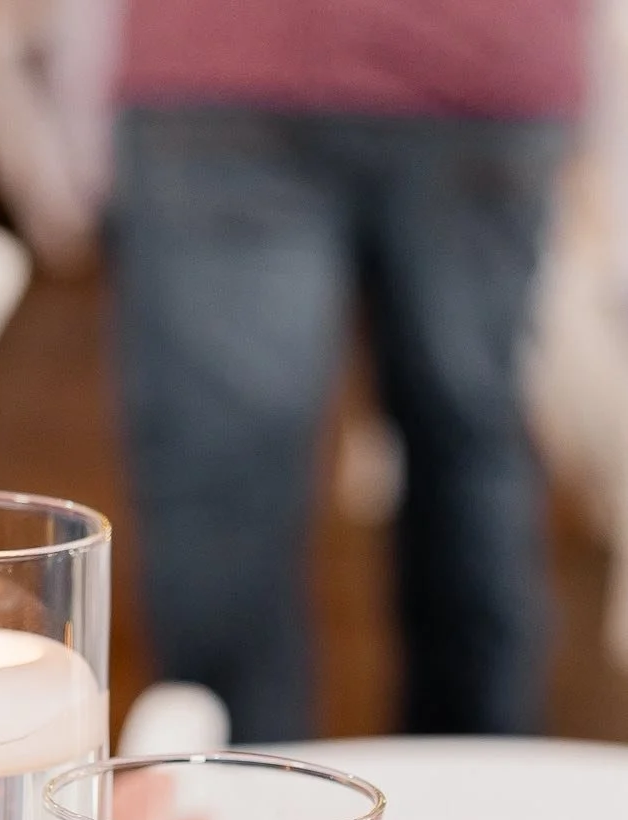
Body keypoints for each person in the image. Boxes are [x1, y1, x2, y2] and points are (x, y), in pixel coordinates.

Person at [110, 0, 586, 742]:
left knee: (236, 483)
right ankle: (247, 804)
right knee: (459, 458)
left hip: (246, 67)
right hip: (261, 70)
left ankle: (245, 811)